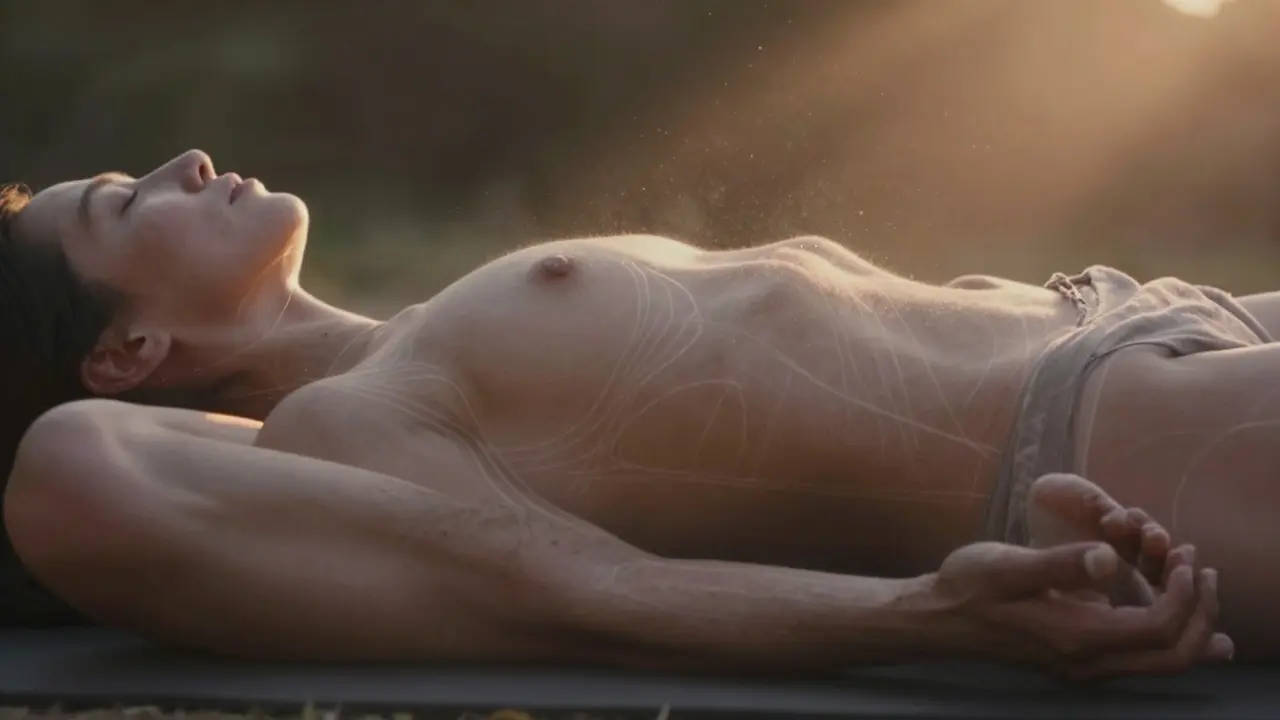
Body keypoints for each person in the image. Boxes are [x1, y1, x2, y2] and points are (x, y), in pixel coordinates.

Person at [0, 150, 1244, 679]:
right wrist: (921, 617)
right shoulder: (348, 436)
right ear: (125, 351)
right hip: (1098, 437)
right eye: (124, 203)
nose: (188, 165)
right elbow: (594, 591)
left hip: (1136, 309)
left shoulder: (411, 332)